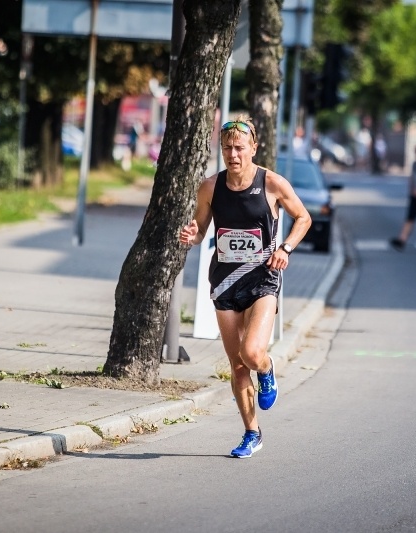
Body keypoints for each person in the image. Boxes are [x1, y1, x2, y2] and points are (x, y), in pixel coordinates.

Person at [180, 115, 312, 458]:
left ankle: (267, 370)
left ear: (254, 148)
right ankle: (252, 433)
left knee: (251, 354)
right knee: (237, 365)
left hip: (262, 278)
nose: (233, 154)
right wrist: (192, 234)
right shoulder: (210, 186)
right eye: (227, 148)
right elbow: (200, 225)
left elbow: (303, 218)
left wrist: (285, 248)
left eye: (240, 148)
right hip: (224, 280)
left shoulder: (272, 184)